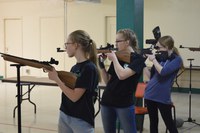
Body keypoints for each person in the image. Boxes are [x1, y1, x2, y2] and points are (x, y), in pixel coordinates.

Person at [45, 30, 101, 133]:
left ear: (76, 45)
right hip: (65, 114)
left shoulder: (89, 68)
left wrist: (57, 79)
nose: (65, 47)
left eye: (67, 44)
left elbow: (74, 97)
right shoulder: (74, 67)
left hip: (81, 119)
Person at [99, 29, 146, 133]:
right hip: (107, 100)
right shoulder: (119, 56)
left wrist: (114, 59)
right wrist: (101, 65)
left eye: (118, 41)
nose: (115, 44)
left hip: (124, 103)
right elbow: (107, 81)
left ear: (127, 42)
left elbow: (122, 75)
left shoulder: (138, 60)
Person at [144, 35, 184, 133]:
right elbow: (151, 77)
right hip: (149, 95)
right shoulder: (160, 58)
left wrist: (153, 60)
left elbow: (164, 72)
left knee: (169, 124)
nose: (157, 50)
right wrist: (142, 64)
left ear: (166, 47)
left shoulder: (177, 60)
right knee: (153, 123)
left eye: (159, 47)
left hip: (162, 97)